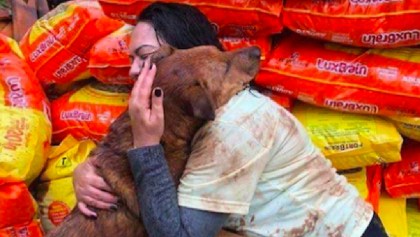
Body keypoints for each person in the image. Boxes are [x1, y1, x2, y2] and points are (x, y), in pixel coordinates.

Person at [72, 2, 388, 237]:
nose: (132, 71)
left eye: (146, 56)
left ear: (184, 55)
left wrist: (145, 148)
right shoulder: (177, 103)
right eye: (131, 59)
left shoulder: (233, 126)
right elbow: (119, 149)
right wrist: (86, 171)